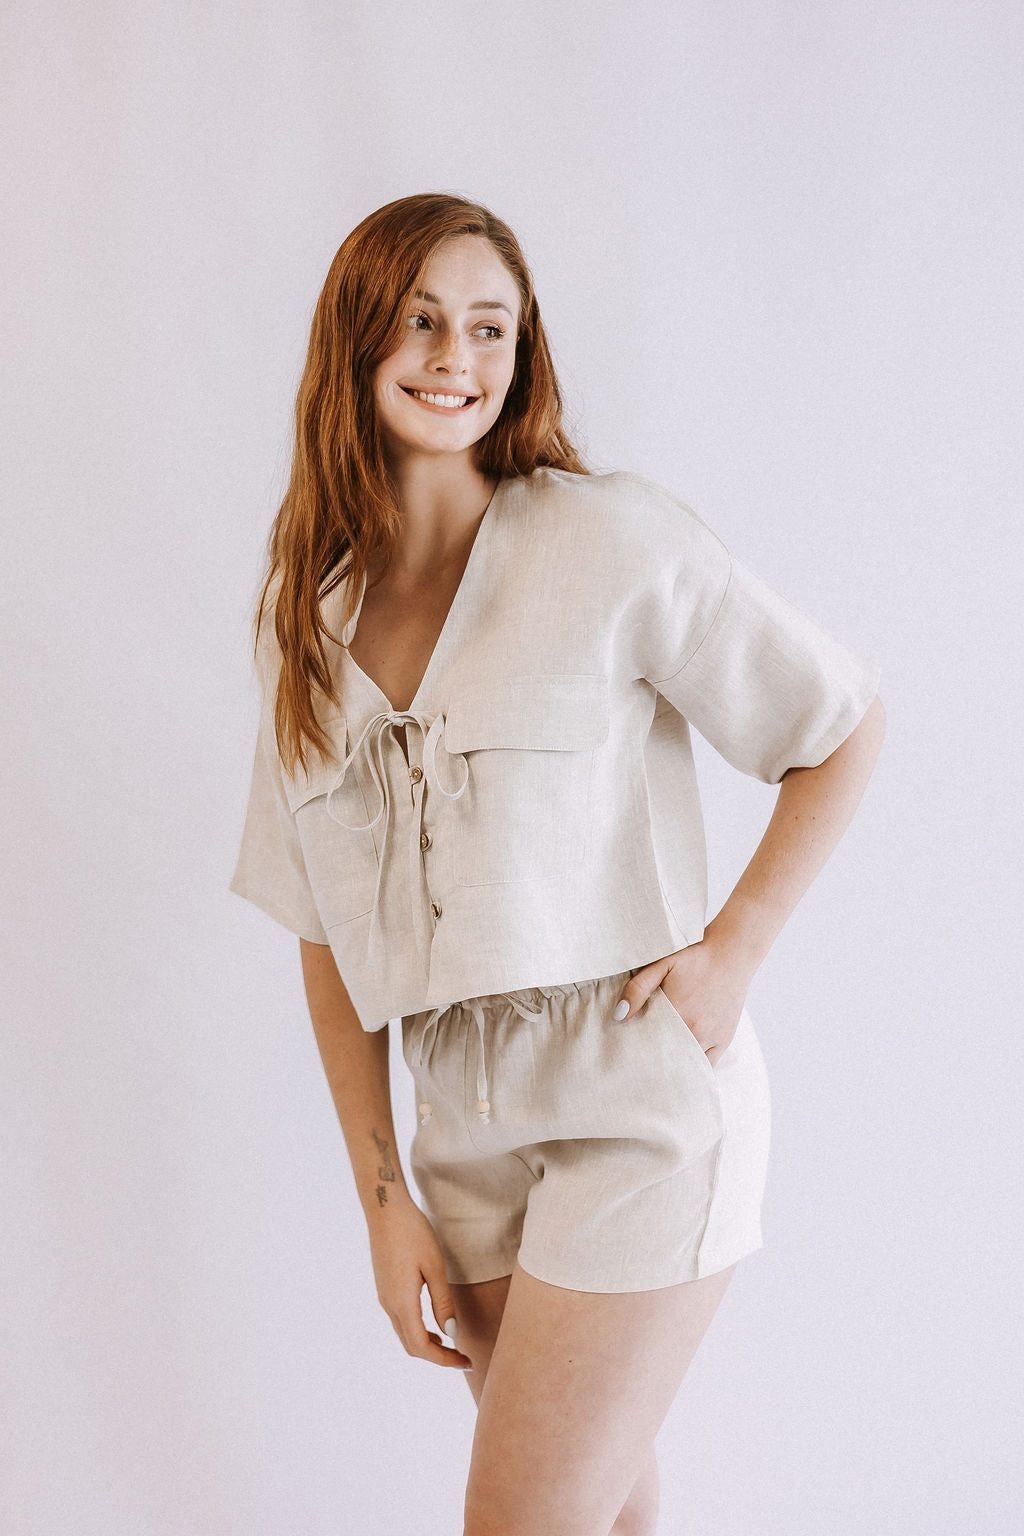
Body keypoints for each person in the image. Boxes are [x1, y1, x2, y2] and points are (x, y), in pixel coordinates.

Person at [229, 191, 886, 1536]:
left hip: (635, 1108)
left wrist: (734, 953)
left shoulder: (608, 539)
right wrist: (383, 1200)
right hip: (461, 1137)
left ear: (521, 351)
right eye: (420, 320)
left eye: (490, 327)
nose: (454, 357)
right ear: (357, 339)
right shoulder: (310, 625)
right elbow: (323, 936)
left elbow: (840, 726)